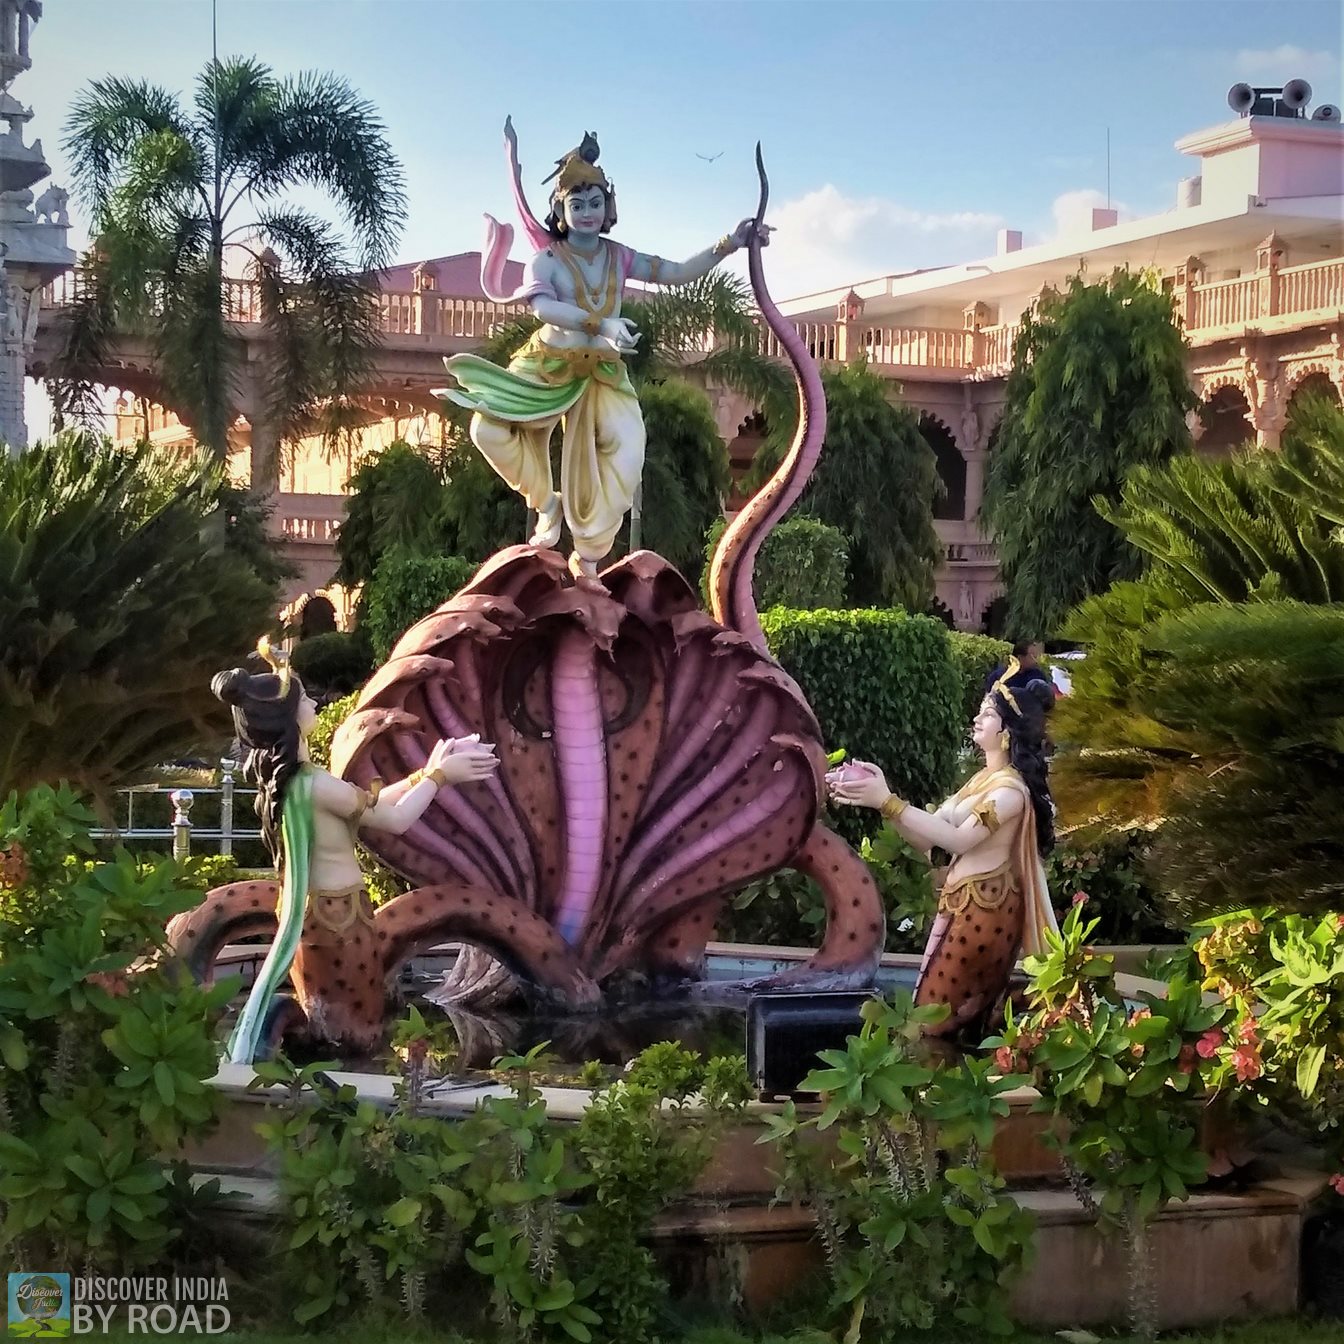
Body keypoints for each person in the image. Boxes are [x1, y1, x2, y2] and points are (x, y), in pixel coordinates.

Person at [437, 123, 767, 578]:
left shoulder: (619, 256)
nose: (587, 212)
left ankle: (589, 556)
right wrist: (600, 323)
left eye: (595, 203)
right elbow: (543, 309)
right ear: (561, 208)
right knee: (486, 430)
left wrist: (731, 242)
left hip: (604, 375)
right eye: (577, 204)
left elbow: (676, 271)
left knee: (629, 454)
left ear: (607, 206)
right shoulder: (547, 261)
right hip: (549, 364)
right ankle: (545, 501)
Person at [211, 638, 499, 1062]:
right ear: (287, 718)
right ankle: (350, 1093)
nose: (314, 704)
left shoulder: (299, 782)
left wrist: (427, 771)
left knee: (338, 1025)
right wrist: (440, 779)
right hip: (340, 926)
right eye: (304, 699)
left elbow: (370, 804)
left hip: (323, 918)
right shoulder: (316, 785)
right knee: (354, 1032)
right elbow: (395, 820)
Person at [828, 660, 1059, 1039]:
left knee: (934, 1021)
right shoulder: (981, 782)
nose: (976, 719)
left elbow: (956, 841)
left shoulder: (1010, 793)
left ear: (1006, 732)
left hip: (985, 916)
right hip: (962, 908)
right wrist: (881, 799)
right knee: (937, 1016)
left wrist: (888, 801)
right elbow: (933, 844)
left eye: (986, 714)